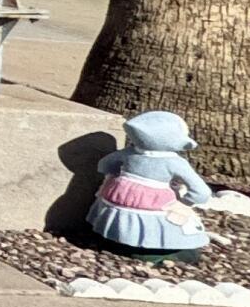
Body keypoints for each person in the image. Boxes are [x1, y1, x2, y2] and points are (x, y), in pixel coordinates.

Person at [86, 110, 217, 260]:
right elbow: (201, 192)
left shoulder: (129, 153)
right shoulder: (174, 162)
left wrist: (115, 177)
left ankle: (118, 240)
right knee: (165, 220)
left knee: (122, 215)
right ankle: (156, 252)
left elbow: (104, 165)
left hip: (119, 194)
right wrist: (185, 202)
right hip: (156, 201)